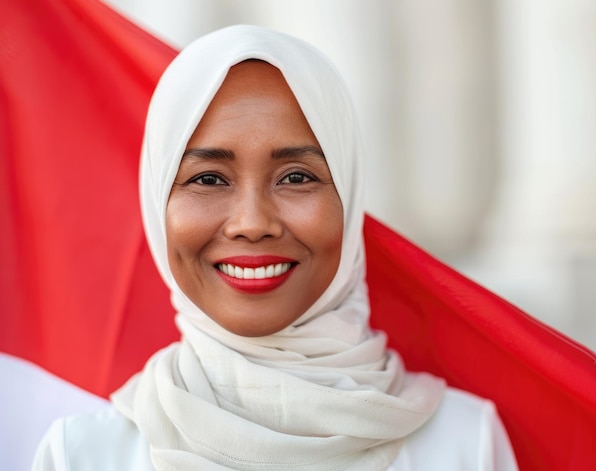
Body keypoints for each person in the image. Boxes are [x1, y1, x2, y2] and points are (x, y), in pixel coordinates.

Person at [32, 25, 518, 470]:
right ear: (156, 200)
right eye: (207, 178)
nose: (252, 223)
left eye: (297, 177)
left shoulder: (461, 444)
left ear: (348, 194)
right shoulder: (82, 455)